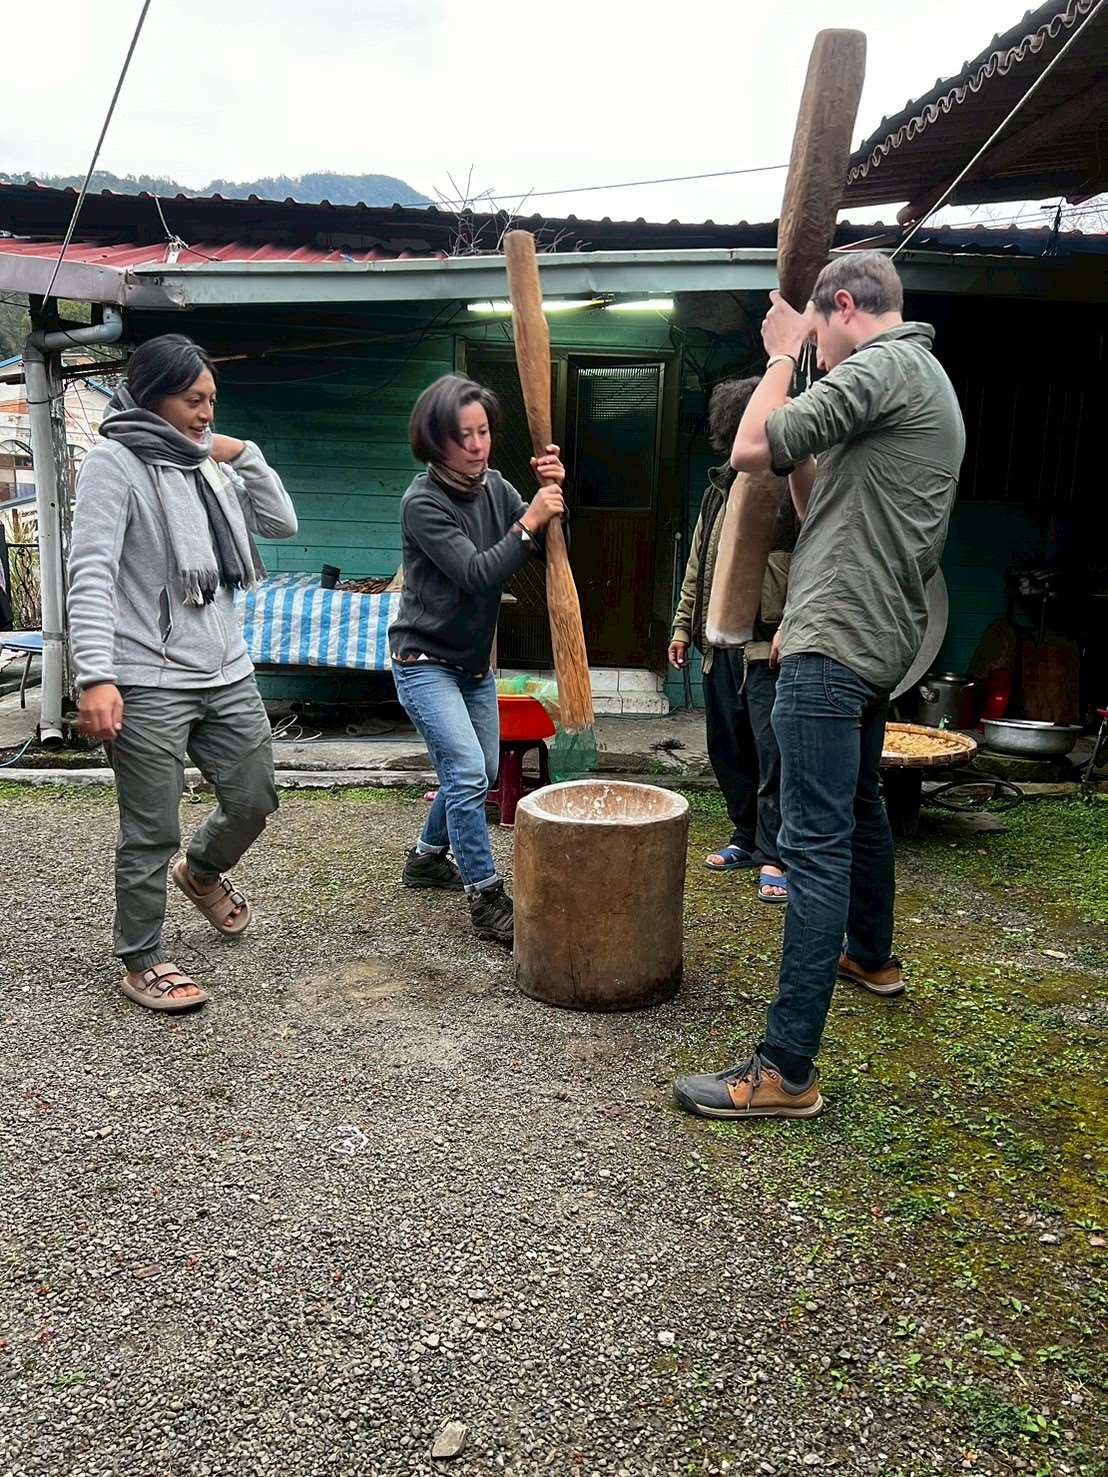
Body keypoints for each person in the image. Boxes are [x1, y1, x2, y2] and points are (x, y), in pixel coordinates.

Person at [675, 252, 965, 1120]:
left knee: (812, 845)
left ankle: (786, 1068)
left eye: (819, 333)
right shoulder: (915, 381)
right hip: (873, 637)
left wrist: (777, 354)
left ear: (841, 307)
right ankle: (871, 953)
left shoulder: (883, 364)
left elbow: (749, 445)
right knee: (862, 807)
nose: (818, 356)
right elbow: (804, 491)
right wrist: (804, 373)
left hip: (831, 641)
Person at [68, 333, 298, 1013]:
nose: (205, 414)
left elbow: (280, 523)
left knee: (255, 796)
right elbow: (90, 573)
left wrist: (246, 454)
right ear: (152, 394)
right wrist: (95, 676)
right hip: (144, 674)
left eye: (212, 402)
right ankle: (141, 957)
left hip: (223, 667)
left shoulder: (207, 465)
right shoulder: (114, 463)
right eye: (194, 400)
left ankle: (201, 873)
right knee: (150, 827)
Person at [389, 374, 566, 946]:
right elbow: (476, 573)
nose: (476, 444)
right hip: (424, 661)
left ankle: (425, 858)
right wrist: (530, 519)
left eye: (483, 431)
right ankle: (486, 896)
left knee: (482, 771)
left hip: (471, 664)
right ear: (435, 440)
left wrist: (554, 493)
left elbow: (544, 536)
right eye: (462, 435)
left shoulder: (496, 488)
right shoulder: (423, 501)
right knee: (466, 773)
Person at [668, 376, 796, 903]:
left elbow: (814, 564)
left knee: (773, 753)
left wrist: (795, 622)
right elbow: (699, 564)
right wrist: (681, 626)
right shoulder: (719, 488)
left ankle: (777, 853)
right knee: (728, 748)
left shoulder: (796, 486)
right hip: (718, 644)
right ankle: (746, 836)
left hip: (769, 647)